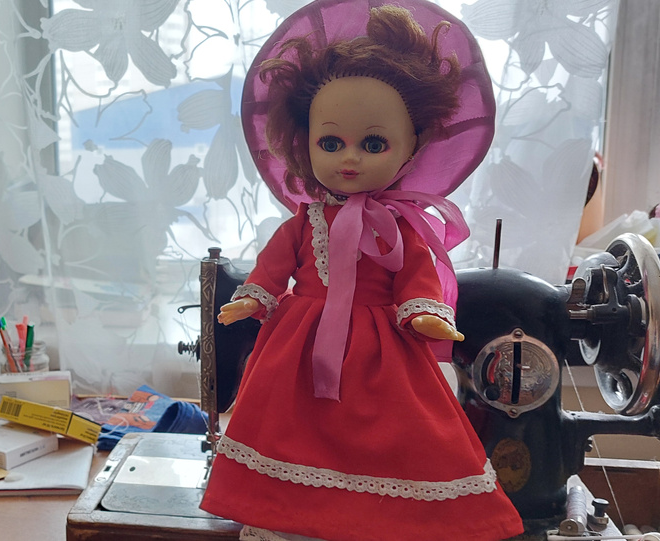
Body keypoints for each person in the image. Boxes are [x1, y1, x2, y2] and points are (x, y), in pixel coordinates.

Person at [197, 3, 523, 540]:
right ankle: (291, 512)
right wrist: (253, 297)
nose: (349, 159)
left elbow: (416, 275)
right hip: (299, 348)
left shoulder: (400, 226)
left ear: (412, 147)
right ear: (304, 143)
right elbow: (274, 266)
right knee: (290, 428)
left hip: (380, 349)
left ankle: (377, 516)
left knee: (394, 433)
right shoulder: (304, 222)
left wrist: (424, 313)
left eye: (373, 144)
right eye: (331, 143)